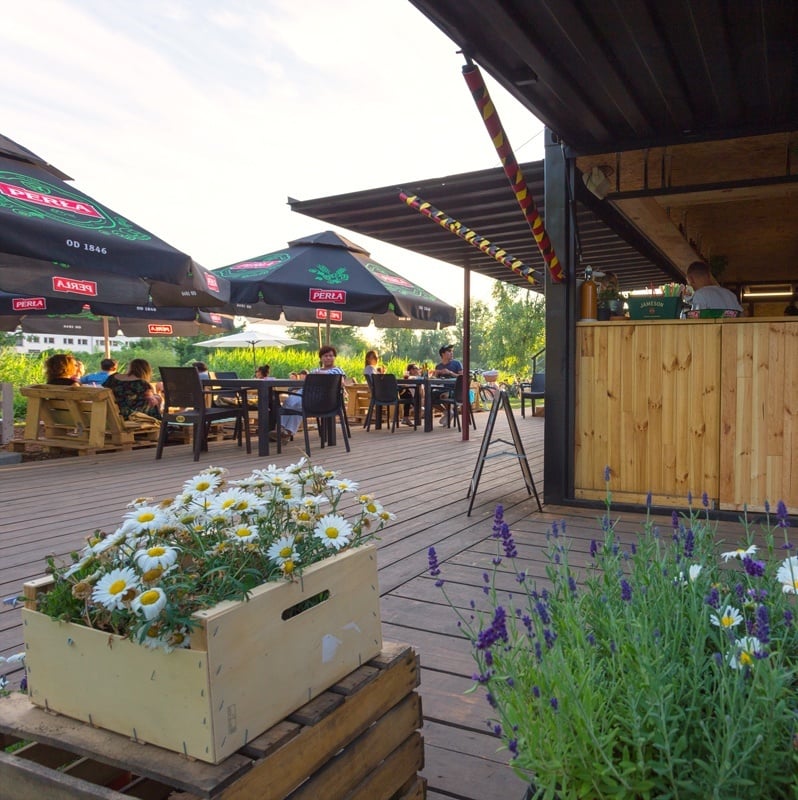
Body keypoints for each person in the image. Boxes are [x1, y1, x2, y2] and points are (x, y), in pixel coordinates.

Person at [278, 346, 345, 440]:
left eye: (331, 355)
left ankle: (286, 431)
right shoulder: (315, 370)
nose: (328, 358)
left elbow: (341, 382)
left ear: (335, 357)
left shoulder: (337, 370)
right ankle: (282, 429)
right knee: (289, 402)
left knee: (298, 405)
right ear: (321, 358)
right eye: (326, 356)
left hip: (322, 399)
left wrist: (321, 375)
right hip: (308, 394)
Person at [432, 344, 463, 425]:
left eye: (452, 351)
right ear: (443, 354)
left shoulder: (457, 363)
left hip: (455, 390)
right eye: (449, 351)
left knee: (444, 395)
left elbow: (463, 377)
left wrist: (450, 373)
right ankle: (448, 412)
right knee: (429, 397)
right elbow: (434, 379)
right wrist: (436, 373)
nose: (452, 353)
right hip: (442, 389)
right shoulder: (438, 366)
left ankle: (449, 412)